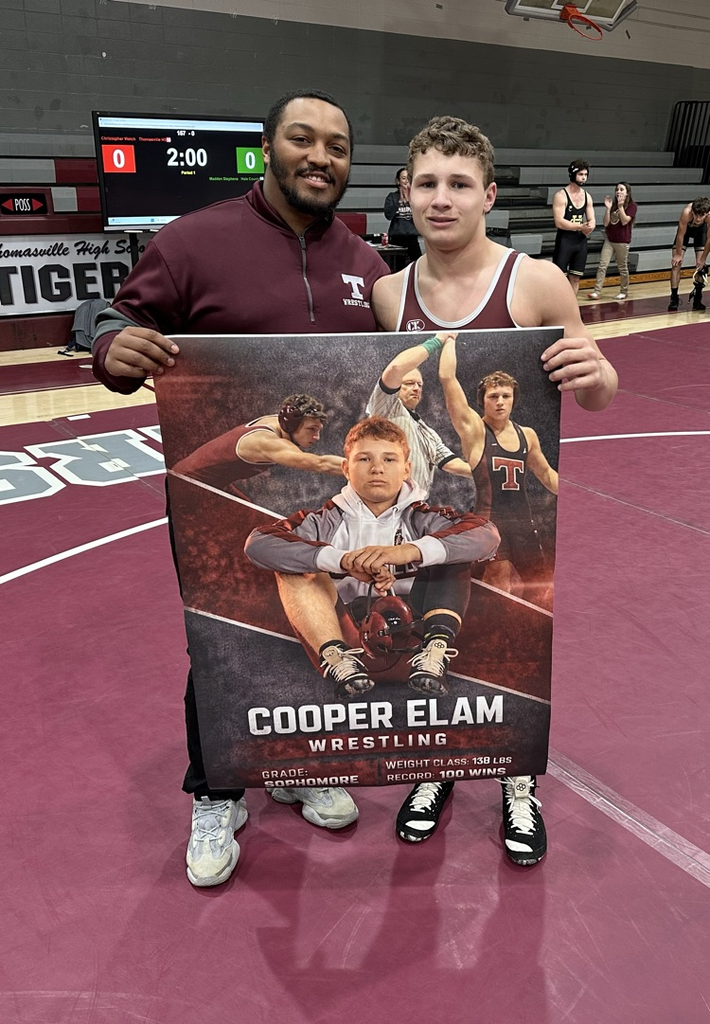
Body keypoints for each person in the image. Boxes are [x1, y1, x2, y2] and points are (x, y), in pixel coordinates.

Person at [91, 89, 390, 888]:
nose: (321, 156)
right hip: (216, 501)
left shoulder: (367, 264)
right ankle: (216, 790)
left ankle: (296, 767)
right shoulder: (193, 241)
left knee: (311, 624)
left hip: (317, 515)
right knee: (220, 639)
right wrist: (112, 344)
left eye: (338, 144)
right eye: (303, 138)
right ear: (267, 149)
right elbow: (108, 314)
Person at [371, 115, 618, 864]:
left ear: (488, 196)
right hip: (437, 516)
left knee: (515, 641)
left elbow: (600, 388)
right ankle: (440, 767)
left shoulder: (535, 281)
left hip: (519, 514)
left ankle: (516, 779)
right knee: (440, 643)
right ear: (406, 194)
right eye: (427, 184)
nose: (441, 199)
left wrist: (596, 374)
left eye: (459, 184)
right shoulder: (389, 294)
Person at [244, 416, 500, 701]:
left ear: (406, 469)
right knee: (293, 565)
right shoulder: (321, 521)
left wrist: (408, 551)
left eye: (389, 460)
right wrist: (343, 561)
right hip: (349, 644)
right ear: (346, 468)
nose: (377, 468)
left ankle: (437, 648)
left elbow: (486, 536)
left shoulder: (425, 518)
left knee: (451, 551)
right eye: (364, 459)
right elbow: (258, 544)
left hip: (417, 644)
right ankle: (337, 659)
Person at [438, 357, 558, 606]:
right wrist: (448, 340)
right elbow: (448, 379)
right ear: (482, 401)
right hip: (490, 523)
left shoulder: (528, 435)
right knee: (498, 584)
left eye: (506, 395)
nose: (501, 401)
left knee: (540, 587)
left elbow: (546, 475)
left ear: (514, 398)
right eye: (493, 396)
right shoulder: (475, 430)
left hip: (525, 524)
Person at [171, 394, 342, 497]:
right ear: (290, 425)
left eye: (318, 430)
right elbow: (319, 464)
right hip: (187, 484)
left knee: (253, 524)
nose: (316, 437)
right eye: (311, 429)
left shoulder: (280, 421)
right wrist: (362, 468)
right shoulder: (265, 442)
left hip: (213, 483)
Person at [366, 333, 471, 494]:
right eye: (409, 383)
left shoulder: (427, 432)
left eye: (419, 385)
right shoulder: (386, 407)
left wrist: (490, 473)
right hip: (387, 504)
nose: (416, 388)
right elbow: (395, 368)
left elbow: (451, 464)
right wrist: (437, 341)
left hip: (415, 506)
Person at [551, 160, 596, 295]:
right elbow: (559, 222)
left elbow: (592, 218)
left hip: (580, 242)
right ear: (572, 174)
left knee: (575, 278)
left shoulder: (587, 196)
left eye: (586, 174)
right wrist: (580, 226)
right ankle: (556, 308)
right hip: (565, 241)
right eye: (581, 174)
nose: (584, 177)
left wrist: (591, 226)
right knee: (559, 278)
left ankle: (571, 308)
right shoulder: (561, 196)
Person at [588, 182, 637, 301]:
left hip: (622, 241)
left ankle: (624, 291)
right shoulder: (613, 205)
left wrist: (621, 207)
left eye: (621, 189)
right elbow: (606, 223)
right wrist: (608, 209)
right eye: (617, 189)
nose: (618, 191)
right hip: (610, 240)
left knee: (622, 267)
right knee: (602, 265)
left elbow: (625, 221)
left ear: (627, 193)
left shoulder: (632, 206)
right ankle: (597, 291)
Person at [668, 196, 710, 311]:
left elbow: (709, 240)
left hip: (701, 232)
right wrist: (678, 254)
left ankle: (697, 298)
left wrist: (702, 259)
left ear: (706, 214)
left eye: (701, 216)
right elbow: (681, 234)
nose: (697, 218)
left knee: (702, 267)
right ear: (692, 212)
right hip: (685, 233)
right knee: (676, 264)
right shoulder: (687, 212)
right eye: (696, 214)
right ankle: (674, 298)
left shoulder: (709, 217)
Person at [383, 168, 422, 264]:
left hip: (412, 238)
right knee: (397, 266)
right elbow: (388, 215)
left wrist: (411, 202)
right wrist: (399, 201)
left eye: (408, 178)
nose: (406, 181)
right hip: (397, 238)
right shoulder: (392, 196)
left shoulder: (416, 197)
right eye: (403, 178)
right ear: (398, 181)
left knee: (417, 265)